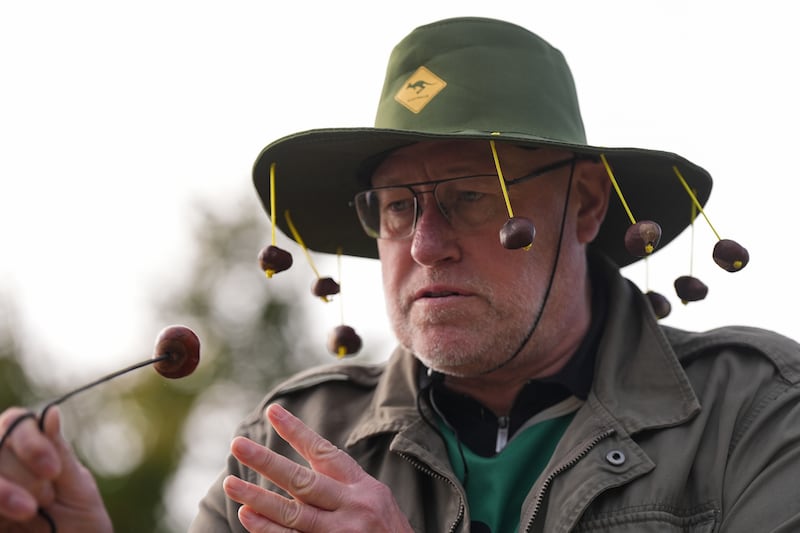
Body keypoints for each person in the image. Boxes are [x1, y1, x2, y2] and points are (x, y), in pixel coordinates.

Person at [2, 15, 800, 533]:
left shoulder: (754, 410)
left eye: (468, 197)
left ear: (585, 207)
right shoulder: (293, 442)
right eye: (395, 207)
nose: (423, 244)